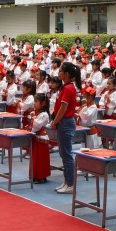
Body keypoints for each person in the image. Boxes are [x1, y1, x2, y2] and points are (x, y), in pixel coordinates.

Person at [50, 62, 80, 194]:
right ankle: (67, 181)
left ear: (66, 74)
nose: (58, 73)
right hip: (63, 122)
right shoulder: (64, 87)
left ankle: (71, 183)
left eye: (61, 71)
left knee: (67, 154)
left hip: (65, 122)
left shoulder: (68, 88)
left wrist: (55, 122)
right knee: (63, 153)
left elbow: (63, 108)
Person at [25, 94, 53, 184]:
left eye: (36, 101)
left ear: (43, 103)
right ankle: (34, 175)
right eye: (34, 101)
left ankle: (41, 176)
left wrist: (32, 118)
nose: (34, 103)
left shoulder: (44, 114)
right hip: (35, 137)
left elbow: (37, 126)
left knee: (41, 159)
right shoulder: (37, 113)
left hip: (41, 139)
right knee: (34, 157)